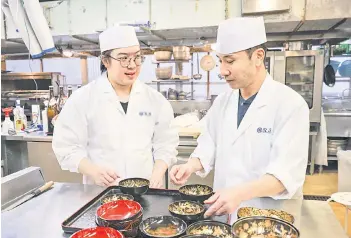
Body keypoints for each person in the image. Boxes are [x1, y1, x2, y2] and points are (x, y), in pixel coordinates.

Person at [170, 17, 309, 224]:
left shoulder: (290, 105)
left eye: (230, 61)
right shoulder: (223, 102)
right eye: (220, 61)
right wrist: (190, 165)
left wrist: (239, 193)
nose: (222, 71)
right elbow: (209, 144)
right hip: (222, 213)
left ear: (258, 57)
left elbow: (284, 176)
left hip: (265, 217)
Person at [52, 25, 179, 188]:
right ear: (106, 61)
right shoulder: (83, 99)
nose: (132, 65)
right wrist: (93, 171)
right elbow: (66, 147)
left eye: (137, 57)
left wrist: (157, 173)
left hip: (145, 191)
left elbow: (166, 143)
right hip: (101, 192)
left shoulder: (155, 100)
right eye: (124, 58)